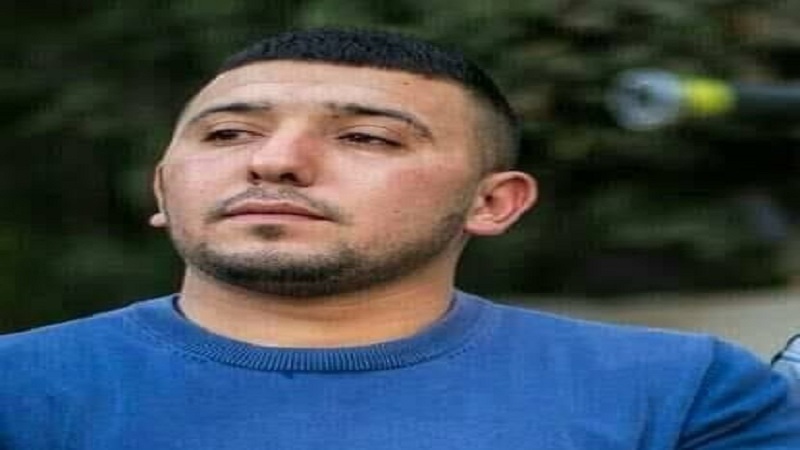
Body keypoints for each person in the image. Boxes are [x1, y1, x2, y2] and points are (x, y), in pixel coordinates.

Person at [1, 27, 798, 449]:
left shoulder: (679, 392)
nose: (274, 161)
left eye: (367, 138)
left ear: (494, 202)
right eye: (228, 134)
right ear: (162, 189)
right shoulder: (19, 392)